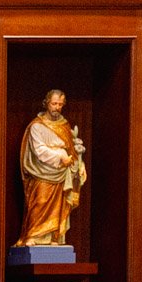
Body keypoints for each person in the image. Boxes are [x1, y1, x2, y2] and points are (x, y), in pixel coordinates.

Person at [14, 89, 87, 247]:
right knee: (39, 202)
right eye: (54, 104)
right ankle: (32, 235)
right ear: (47, 103)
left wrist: (77, 159)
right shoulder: (37, 126)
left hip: (61, 173)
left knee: (58, 206)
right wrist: (60, 156)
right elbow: (39, 150)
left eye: (60, 104)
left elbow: (70, 148)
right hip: (41, 172)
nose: (57, 107)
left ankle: (54, 237)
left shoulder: (64, 125)